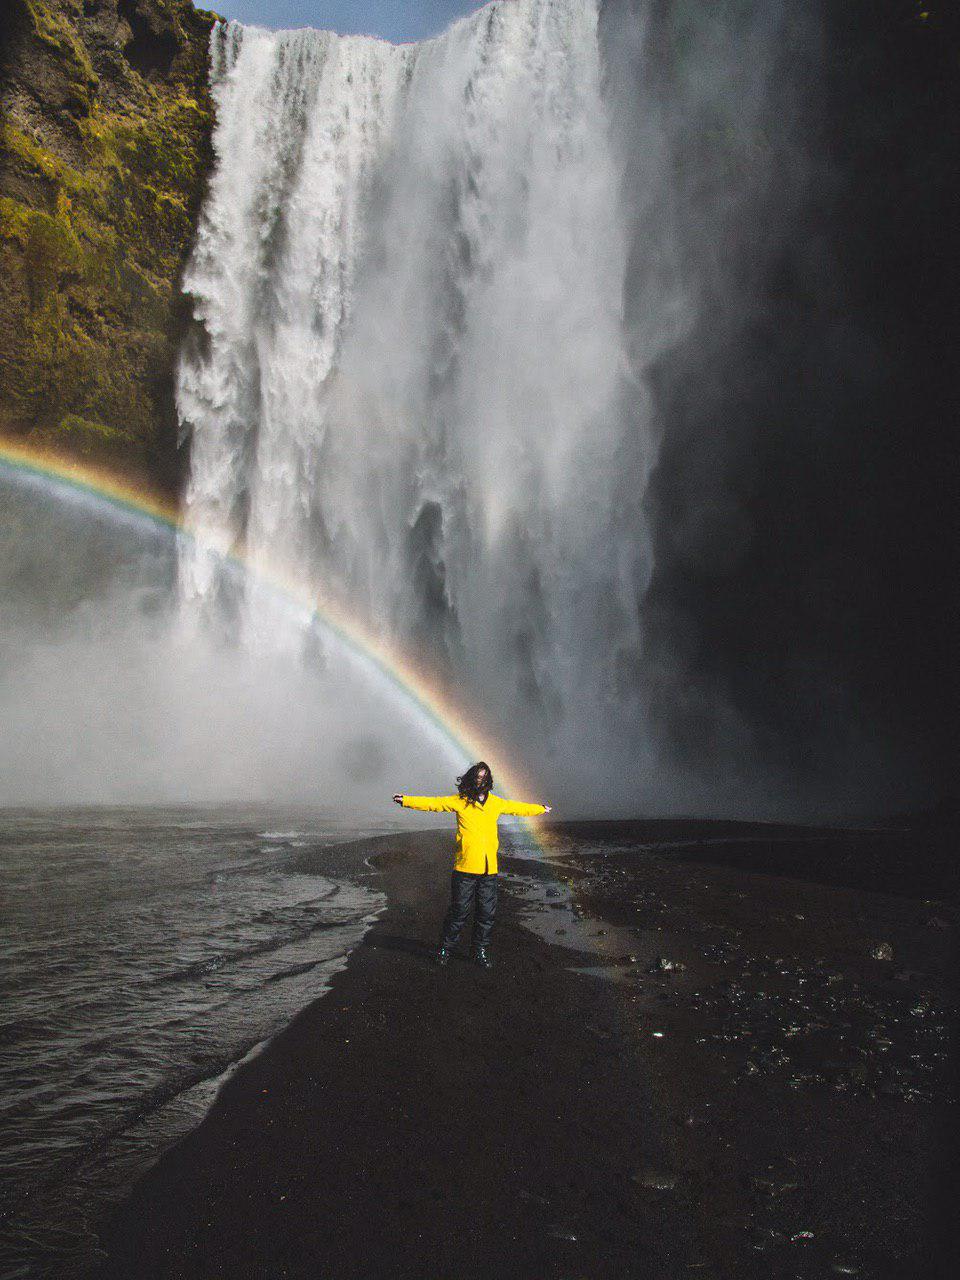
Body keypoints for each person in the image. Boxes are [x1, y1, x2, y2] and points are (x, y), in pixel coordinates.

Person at [393, 761, 550, 969]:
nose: (481, 780)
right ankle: (445, 950)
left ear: (489, 780)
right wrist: (406, 800)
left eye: (484, 777)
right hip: (465, 868)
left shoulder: (496, 803)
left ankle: (479, 951)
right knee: (459, 911)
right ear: (471, 778)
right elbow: (434, 803)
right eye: (477, 777)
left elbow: (518, 808)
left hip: (488, 870)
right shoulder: (461, 801)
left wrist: (540, 809)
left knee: (486, 913)